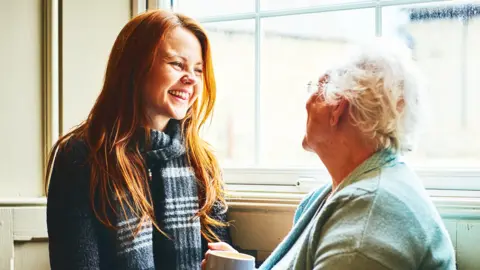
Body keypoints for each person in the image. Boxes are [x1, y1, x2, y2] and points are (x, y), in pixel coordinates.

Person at [203, 38, 456, 269]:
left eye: (316, 87)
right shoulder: (352, 190)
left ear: (338, 108)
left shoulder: (369, 215)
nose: (307, 102)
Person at [46, 9, 231, 270]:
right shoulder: (81, 157)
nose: (191, 79)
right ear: (135, 67)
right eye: (177, 64)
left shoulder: (203, 162)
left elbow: (220, 254)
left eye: (198, 70)